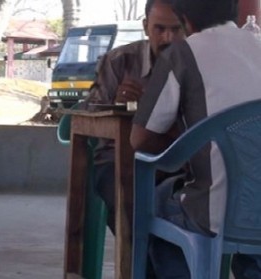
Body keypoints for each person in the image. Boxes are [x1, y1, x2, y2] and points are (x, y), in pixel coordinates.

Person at [130, 0, 261, 277]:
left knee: (157, 200)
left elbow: (140, 139)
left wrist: (190, 145)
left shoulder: (182, 54)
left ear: (185, 19)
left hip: (215, 214)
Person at [83, 0, 186, 235]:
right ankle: (140, 265)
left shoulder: (197, 64)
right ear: (145, 26)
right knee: (130, 201)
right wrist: (117, 107)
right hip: (119, 160)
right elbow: (89, 116)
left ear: (187, 27)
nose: (168, 37)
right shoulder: (119, 61)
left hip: (178, 160)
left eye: (176, 29)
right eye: (160, 29)